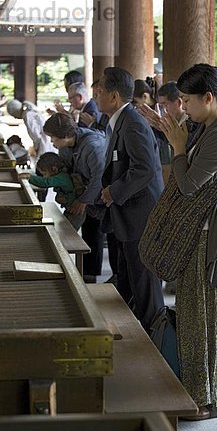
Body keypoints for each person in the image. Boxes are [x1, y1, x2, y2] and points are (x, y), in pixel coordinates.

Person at [159, 63, 217, 419]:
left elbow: (188, 186)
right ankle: (204, 394)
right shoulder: (206, 128)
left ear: (209, 98)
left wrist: (177, 149)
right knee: (195, 318)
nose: (184, 107)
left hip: (211, 240)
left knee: (207, 321)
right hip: (199, 235)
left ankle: (208, 399)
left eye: (188, 100)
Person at [94, 66, 165, 332]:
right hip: (126, 216)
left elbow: (144, 169)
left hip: (140, 215)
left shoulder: (133, 123)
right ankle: (131, 333)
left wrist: (114, 191)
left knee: (145, 285)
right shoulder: (118, 122)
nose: (97, 95)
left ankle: (156, 344)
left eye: (100, 91)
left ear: (114, 97)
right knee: (129, 279)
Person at [43, 112, 107, 274]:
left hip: (105, 197)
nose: (51, 141)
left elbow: (99, 177)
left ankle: (99, 276)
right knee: (89, 233)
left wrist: (83, 200)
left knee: (101, 236)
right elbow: (67, 170)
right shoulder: (65, 147)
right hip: (86, 193)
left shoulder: (92, 146)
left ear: (65, 135)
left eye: (53, 137)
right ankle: (87, 274)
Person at [21, 152, 85, 230]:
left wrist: (29, 177)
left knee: (69, 231)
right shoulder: (62, 174)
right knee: (65, 228)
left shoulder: (61, 177)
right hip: (70, 209)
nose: (44, 177)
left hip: (76, 211)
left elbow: (45, 183)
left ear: (54, 169)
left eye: (45, 174)